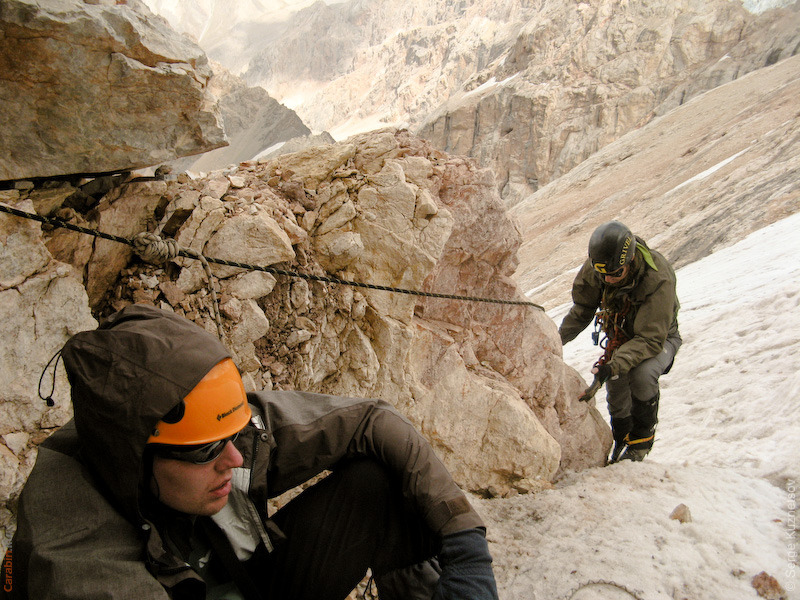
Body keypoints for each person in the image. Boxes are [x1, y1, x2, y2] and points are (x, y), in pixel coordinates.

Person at [6, 304, 498, 600]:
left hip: (246, 574)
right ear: (139, 459)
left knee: (381, 482)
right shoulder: (79, 555)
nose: (235, 459)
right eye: (205, 452)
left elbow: (371, 420)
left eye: (234, 437)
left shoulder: (205, 424)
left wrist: (465, 540)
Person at [559, 221, 681, 463]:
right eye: (604, 275)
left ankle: (640, 443)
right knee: (615, 387)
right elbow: (583, 309)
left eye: (616, 274)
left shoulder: (657, 278)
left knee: (642, 374)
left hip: (660, 338)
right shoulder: (601, 266)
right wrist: (553, 340)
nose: (609, 280)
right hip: (622, 338)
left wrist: (613, 364)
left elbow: (650, 338)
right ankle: (621, 440)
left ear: (631, 260)